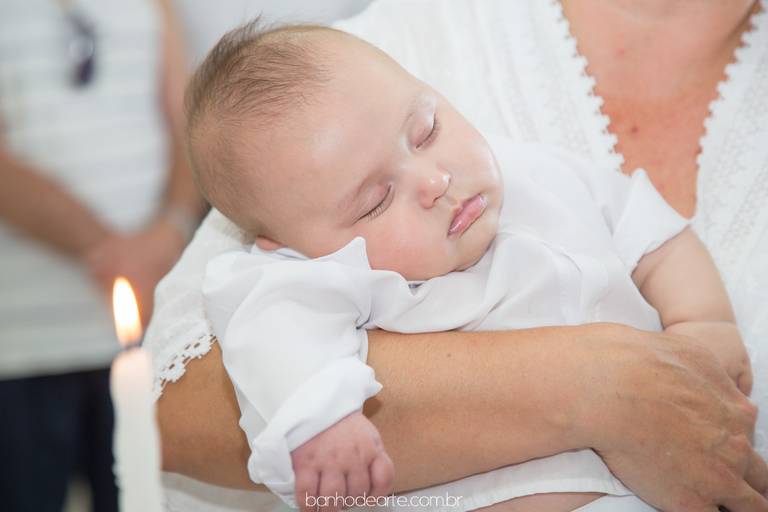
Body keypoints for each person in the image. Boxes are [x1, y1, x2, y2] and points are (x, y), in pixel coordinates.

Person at [145, 1, 768, 511]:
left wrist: (701, 323)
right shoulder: (325, 279)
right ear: (290, 248)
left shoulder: (534, 173)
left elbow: (654, 234)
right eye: (376, 200)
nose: (434, 180)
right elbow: (265, 335)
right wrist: (322, 421)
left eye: (426, 131)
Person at [0, 0, 204, 510]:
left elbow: (187, 117)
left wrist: (170, 232)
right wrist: (109, 252)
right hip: (23, 341)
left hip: (153, 327)